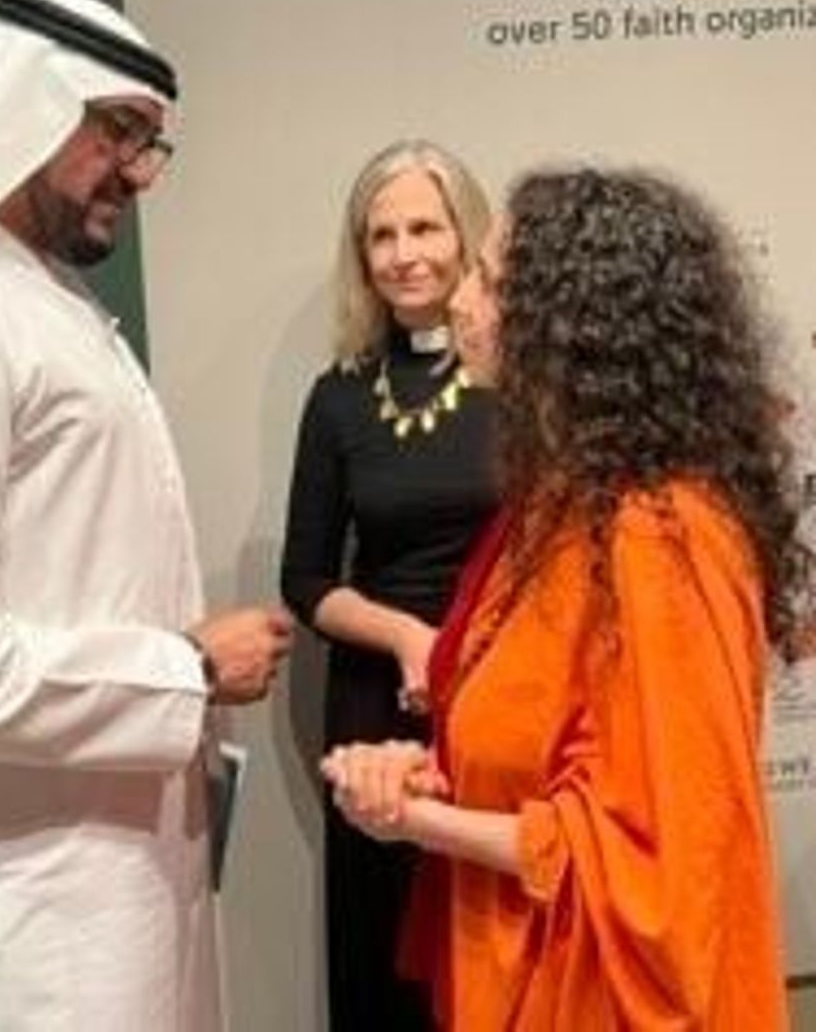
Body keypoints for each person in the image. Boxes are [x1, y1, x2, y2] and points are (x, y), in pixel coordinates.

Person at [0, 0, 293, 1031]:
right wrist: (185, 667)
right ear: (27, 107)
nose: (138, 170)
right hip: (18, 926)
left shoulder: (43, 297)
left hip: (102, 885)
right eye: (117, 129)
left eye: (150, 142)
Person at [322, 166, 800, 1030]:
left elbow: (658, 861)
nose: (462, 297)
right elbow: (549, 755)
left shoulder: (662, 536)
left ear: (569, 323)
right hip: (514, 976)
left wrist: (420, 820)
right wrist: (430, 775)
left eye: (488, 278)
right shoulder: (560, 507)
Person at [280, 141, 501, 1031]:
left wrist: (454, 652)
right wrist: (408, 637)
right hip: (377, 703)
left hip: (497, 690)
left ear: (466, 236)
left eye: (425, 228)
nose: (405, 254)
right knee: (382, 948)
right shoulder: (337, 396)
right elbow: (305, 578)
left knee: (488, 937)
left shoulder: (516, 384)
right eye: (382, 235)